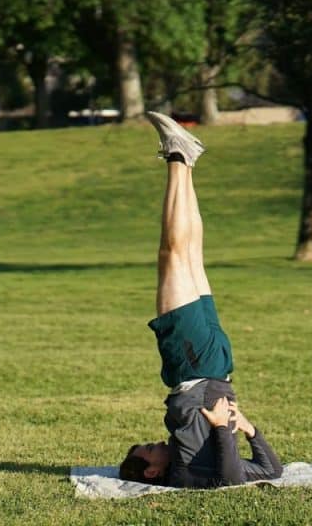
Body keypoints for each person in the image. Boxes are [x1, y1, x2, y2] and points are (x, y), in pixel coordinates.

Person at [118, 112, 282, 489]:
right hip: (195, 363)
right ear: (151, 472)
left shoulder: (185, 461)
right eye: (147, 450)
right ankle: (179, 157)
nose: (154, 443)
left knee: (189, 256)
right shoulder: (184, 473)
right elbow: (229, 479)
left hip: (213, 364)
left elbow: (272, 472)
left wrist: (248, 430)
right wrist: (228, 428)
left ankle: (185, 160)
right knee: (172, 255)